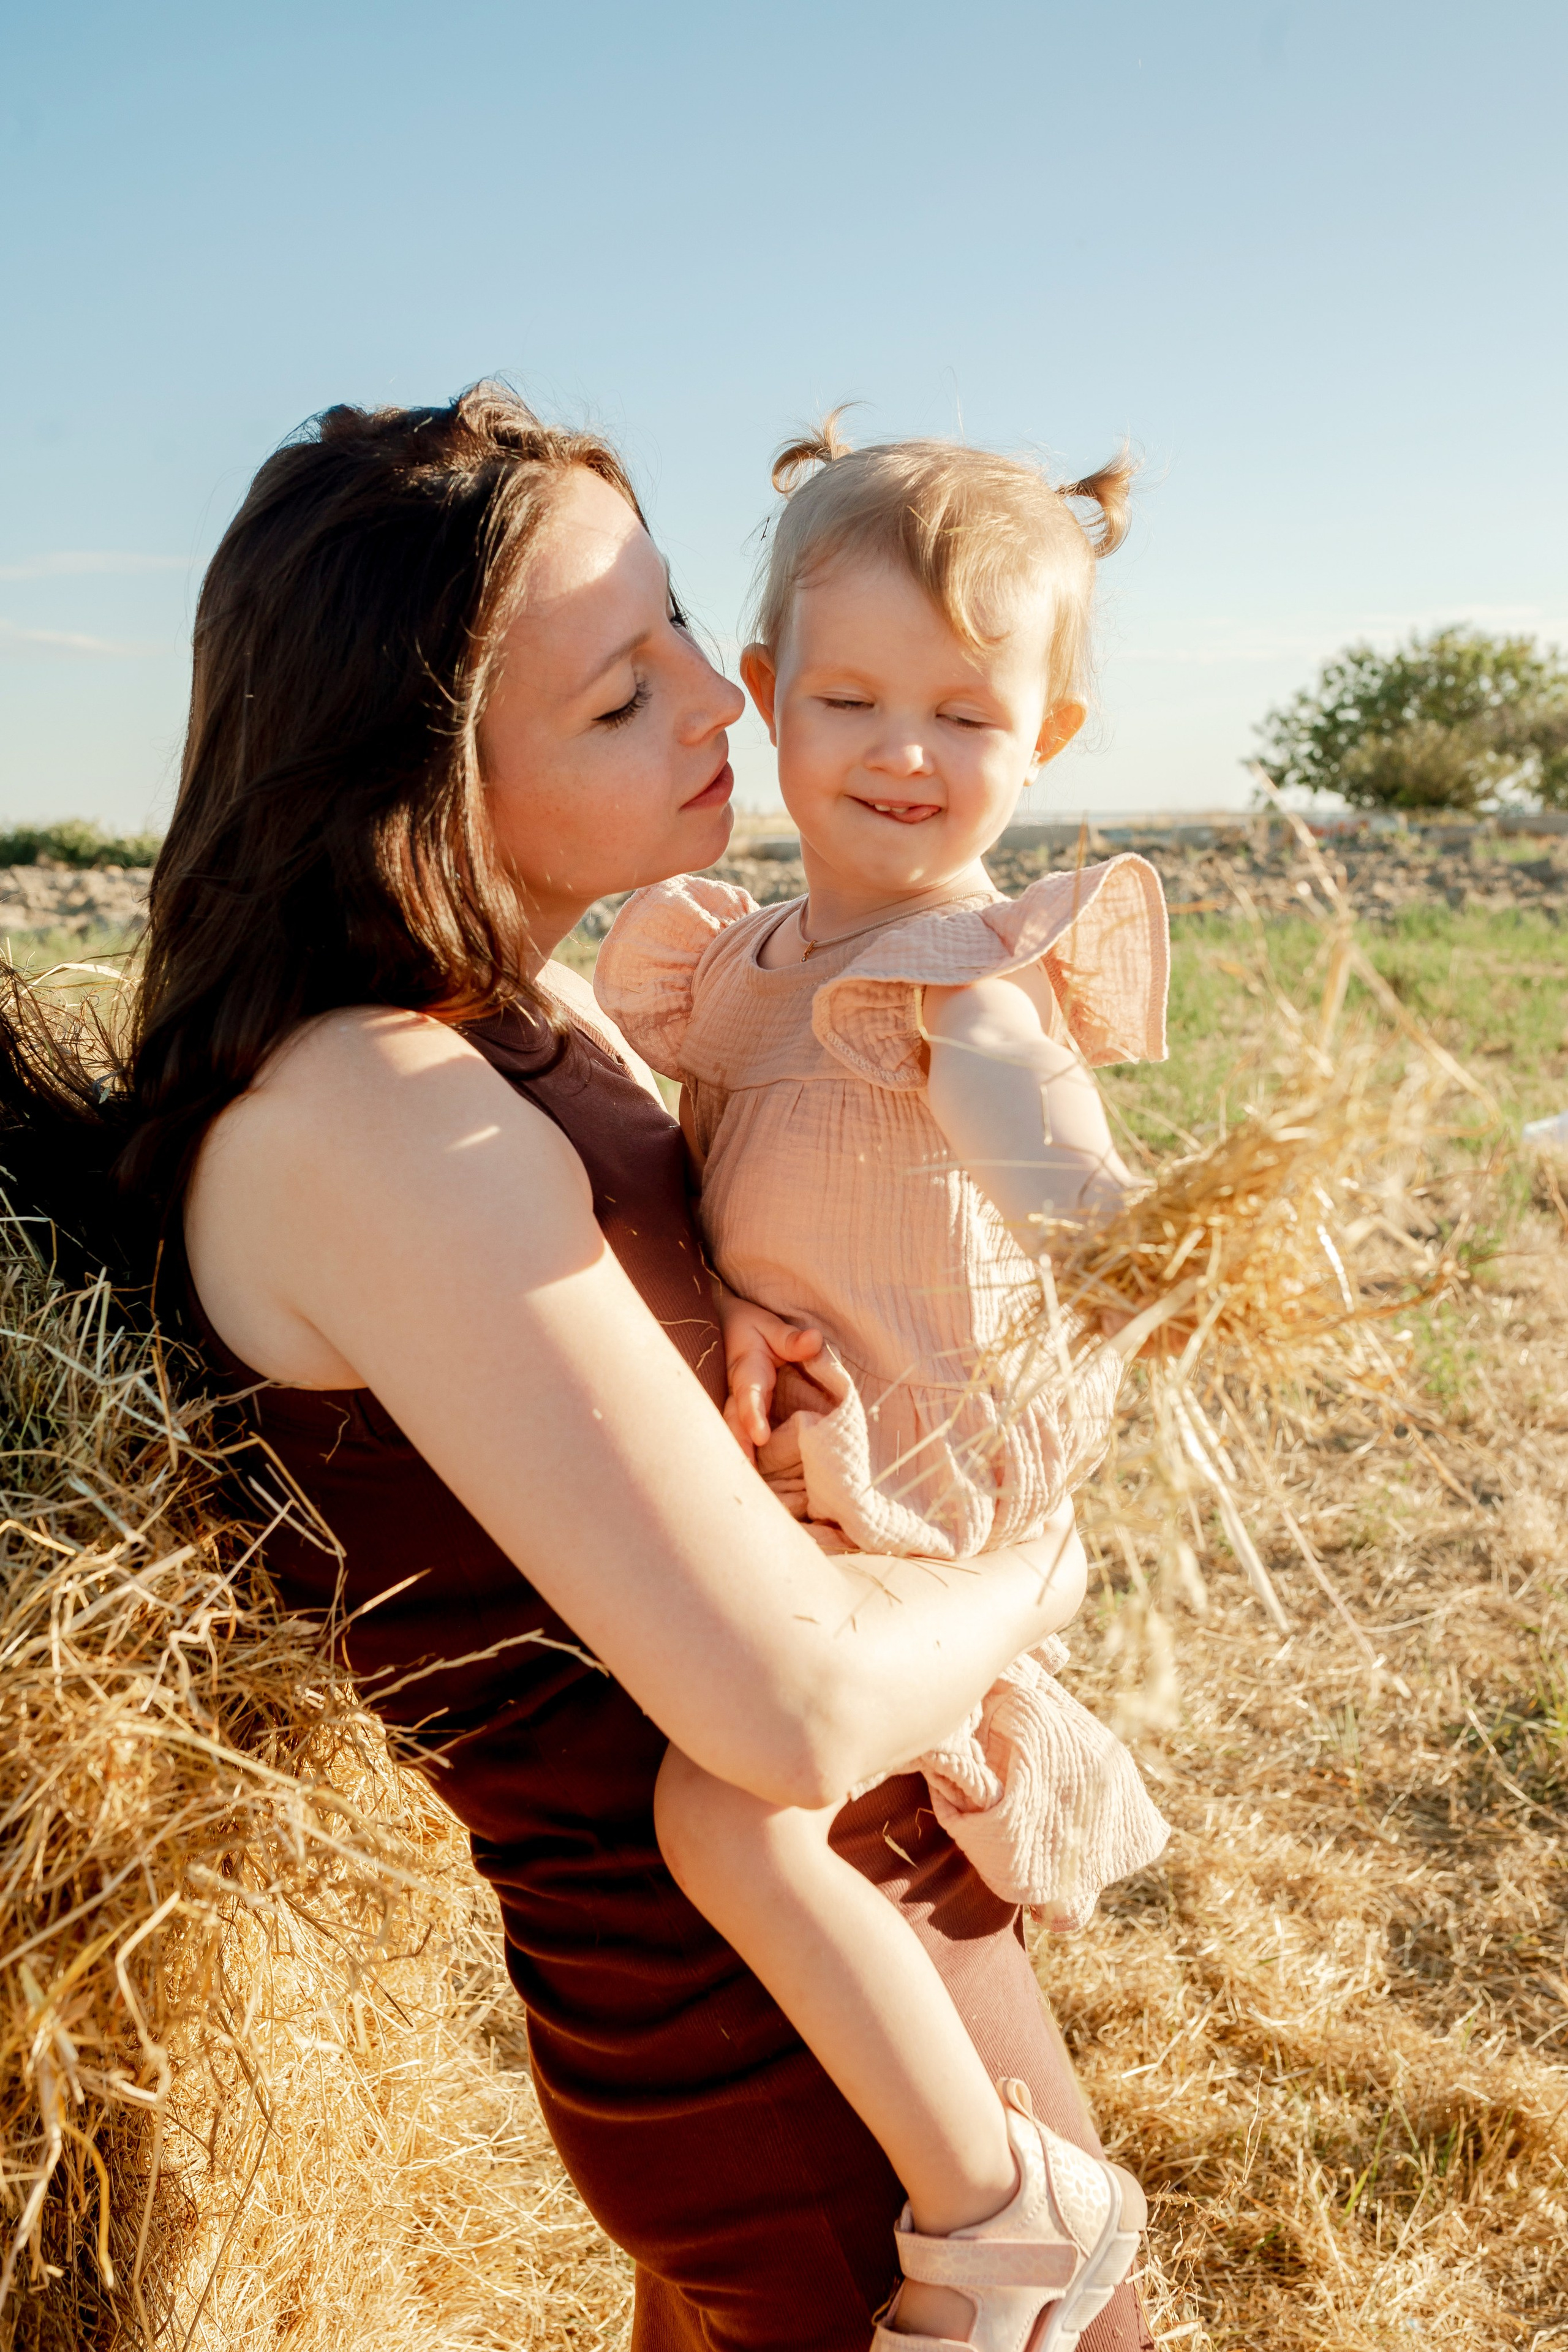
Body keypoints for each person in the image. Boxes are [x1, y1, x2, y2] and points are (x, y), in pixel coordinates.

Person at [2, 387, 1157, 2351]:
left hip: (835, 1965)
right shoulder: (379, 1113)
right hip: (778, 2048)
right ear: (422, 780)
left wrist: (748, 1317)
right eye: (621, 696)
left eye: (682, 622)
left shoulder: (516, 1029)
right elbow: (793, 1707)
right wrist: (1044, 1564)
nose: (722, 698)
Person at [595, 419, 1171, 2349]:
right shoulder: (732, 969)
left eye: (968, 715)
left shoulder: (968, 980)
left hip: (908, 1535)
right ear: (765, 698)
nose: (905, 751)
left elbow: (1049, 1160)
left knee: (732, 1816)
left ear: (1047, 740)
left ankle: (1006, 2204)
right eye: (850, 699)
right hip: (770, 1529)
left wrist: (1140, 1236)